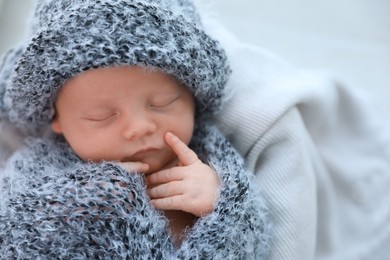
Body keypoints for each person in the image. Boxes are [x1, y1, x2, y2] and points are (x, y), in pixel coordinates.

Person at [0, 0, 270, 258]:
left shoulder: (210, 160)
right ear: (55, 119)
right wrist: (77, 202)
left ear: (192, 95)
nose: (139, 128)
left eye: (162, 103)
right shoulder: (39, 169)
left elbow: (258, 241)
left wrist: (221, 203)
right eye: (101, 116)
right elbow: (10, 231)